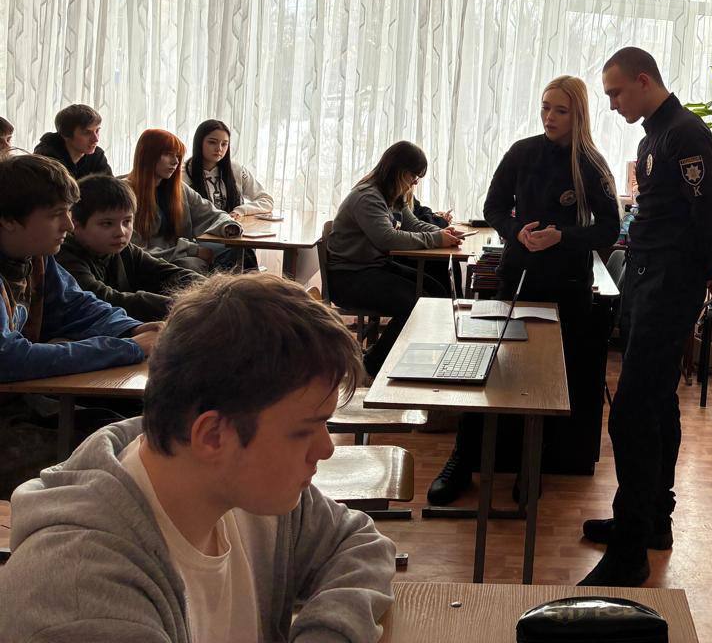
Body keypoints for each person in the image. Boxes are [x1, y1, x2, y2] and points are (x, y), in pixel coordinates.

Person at [0, 272, 396, 642]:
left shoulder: (248, 491)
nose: (326, 449)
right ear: (212, 436)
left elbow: (358, 543)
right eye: (303, 431)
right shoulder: (78, 597)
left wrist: (327, 632)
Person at [578, 47, 712, 587]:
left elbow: (711, 213)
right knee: (658, 406)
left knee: (631, 415)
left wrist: (704, 271)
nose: (613, 104)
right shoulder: (655, 136)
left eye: (616, 93)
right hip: (650, 279)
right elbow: (672, 216)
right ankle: (652, 523)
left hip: (668, 287)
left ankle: (630, 551)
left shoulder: (685, 135)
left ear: (643, 80)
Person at [428, 75, 620, 505]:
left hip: (568, 286)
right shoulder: (522, 152)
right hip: (517, 277)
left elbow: (609, 228)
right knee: (491, 367)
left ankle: (532, 464)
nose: (549, 117)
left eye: (560, 110)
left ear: (578, 115)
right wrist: (517, 232)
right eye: (545, 108)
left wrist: (563, 237)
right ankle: (463, 458)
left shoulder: (590, 164)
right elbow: (493, 207)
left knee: (549, 380)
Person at [0, 155, 162, 496]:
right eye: (56, 214)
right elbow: (8, 358)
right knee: (112, 458)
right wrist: (128, 348)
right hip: (6, 421)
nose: (69, 226)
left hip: (18, 405)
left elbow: (78, 307)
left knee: (130, 428)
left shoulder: (36, 258)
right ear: (8, 220)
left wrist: (133, 329)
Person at [327, 141, 463, 376]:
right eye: (414, 175)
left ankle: (420, 356)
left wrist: (442, 233)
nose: (415, 182)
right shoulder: (368, 196)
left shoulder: (392, 195)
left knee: (436, 291)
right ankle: (371, 365)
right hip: (350, 276)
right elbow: (387, 239)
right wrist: (436, 239)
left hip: (373, 267)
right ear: (399, 171)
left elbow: (413, 225)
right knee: (415, 305)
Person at [56, 174, 201, 322]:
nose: (121, 232)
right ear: (76, 224)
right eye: (107, 223)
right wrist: (181, 305)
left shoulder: (124, 250)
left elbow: (164, 272)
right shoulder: (64, 257)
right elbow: (104, 299)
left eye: (127, 221)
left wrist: (208, 289)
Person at [125, 128, 243, 275]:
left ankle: (243, 289)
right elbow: (134, 249)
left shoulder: (179, 189)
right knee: (192, 265)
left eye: (178, 156)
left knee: (238, 250)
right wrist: (193, 250)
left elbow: (212, 214)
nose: (175, 161)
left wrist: (229, 226)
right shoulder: (125, 192)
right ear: (148, 155)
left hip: (182, 253)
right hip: (150, 263)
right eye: (168, 154)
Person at [183, 118, 274, 216]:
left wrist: (241, 210)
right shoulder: (183, 173)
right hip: (202, 226)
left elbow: (266, 200)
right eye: (212, 142)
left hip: (233, 225)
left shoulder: (236, 169)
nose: (219, 148)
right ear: (199, 142)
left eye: (224, 144)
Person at [34, 103, 112, 178]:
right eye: (86, 133)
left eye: (97, 131)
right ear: (65, 135)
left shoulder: (97, 156)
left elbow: (110, 185)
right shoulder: (46, 159)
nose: (96, 139)